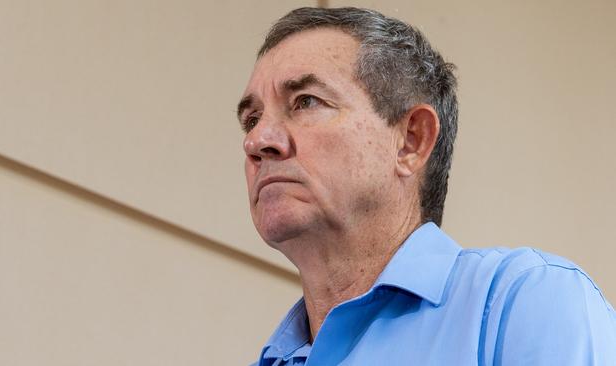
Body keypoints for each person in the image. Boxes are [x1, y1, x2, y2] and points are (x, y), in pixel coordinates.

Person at [236, 7, 616, 366]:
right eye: (251, 119)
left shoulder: (525, 301)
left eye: (306, 101)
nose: (257, 141)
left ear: (411, 140)